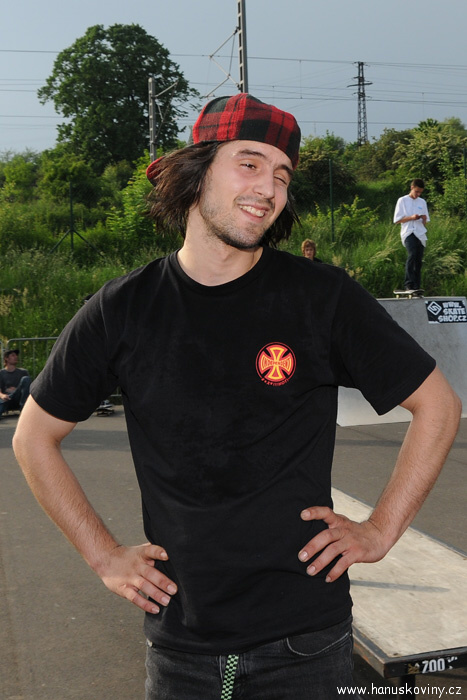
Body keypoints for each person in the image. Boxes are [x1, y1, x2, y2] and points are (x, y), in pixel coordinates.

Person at [13, 94, 460, 700]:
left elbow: (438, 404)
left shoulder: (321, 298)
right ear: (195, 173)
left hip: (306, 641)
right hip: (180, 645)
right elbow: (33, 438)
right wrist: (102, 555)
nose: (269, 188)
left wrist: (380, 529)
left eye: (282, 174)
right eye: (249, 163)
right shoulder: (122, 309)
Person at [393, 179, 430, 294]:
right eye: (416, 191)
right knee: (412, 254)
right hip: (408, 232)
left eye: (420, 192)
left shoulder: (422, 202)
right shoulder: (402, 200)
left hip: (420, 233)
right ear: (412, 187)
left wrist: (423, 219)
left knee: (418, 259)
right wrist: (411, 217)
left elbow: (425, 222)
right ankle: (408, 284)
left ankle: (416, 286)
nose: (418, 194)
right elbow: (397, 220)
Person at [0, 349, 30, 419]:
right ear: (6, 358)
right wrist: (2, 395)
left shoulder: (23, 372)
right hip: (7, 398)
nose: (16, 357)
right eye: (13, 355)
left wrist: (16, 389)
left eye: (16, 355)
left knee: (26, 379)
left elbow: (28, 389)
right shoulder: (1, 373)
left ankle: (24, 409)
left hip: (18, 398)